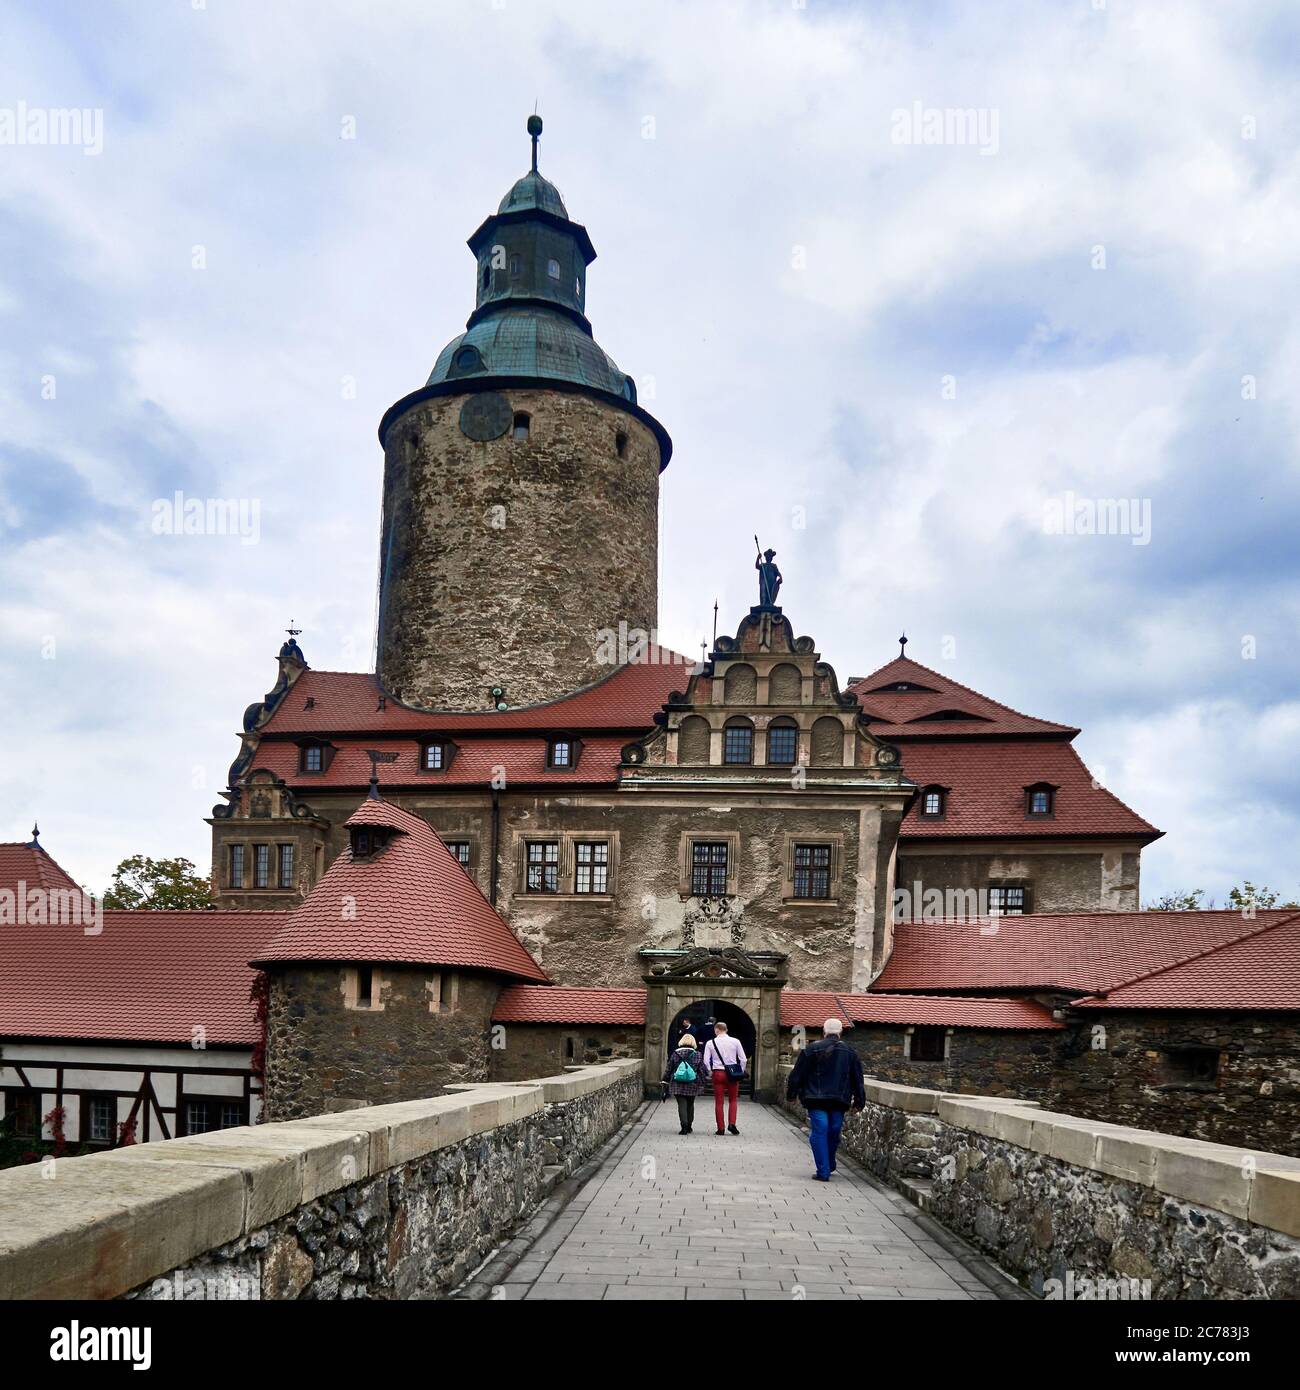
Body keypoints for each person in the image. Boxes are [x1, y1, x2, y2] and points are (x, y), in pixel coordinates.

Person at [786, 1018, 865, 1180]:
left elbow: (798, 1074)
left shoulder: (811, 1049)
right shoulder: (850, 1052)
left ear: (824, 1032)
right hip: (839, 1099)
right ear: (841, 1032)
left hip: (816, 1098)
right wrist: (859, 1100)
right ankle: (827, 1165)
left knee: (820, 1130)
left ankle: (825, 1168)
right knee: (833, 1131)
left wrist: (792, 1094)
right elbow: (858, 1078)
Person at [702, 1021, 747, 1136]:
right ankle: (732, 1124)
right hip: (732, 1073)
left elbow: (706, 1060)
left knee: (719, 1102)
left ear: (716, 1030)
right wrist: (740, 1071)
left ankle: (720, 1128)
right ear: (726, 1030)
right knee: (733, 1100)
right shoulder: (735, 1041)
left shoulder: (710, 1043)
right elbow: (743, 1059)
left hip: (718, 1072)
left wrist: (709, 1071)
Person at [661, 1033, 709, 1135]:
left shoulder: (675, 1053)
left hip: (677, 1082)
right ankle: (689, 1126)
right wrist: (703, 1081)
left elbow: (669, 1069)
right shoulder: (698, 1054)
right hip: (692, 1083)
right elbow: (702, 1070)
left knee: (681, 1104)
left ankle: (683, 1126)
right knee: (690, 1104)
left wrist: (665, 1080)